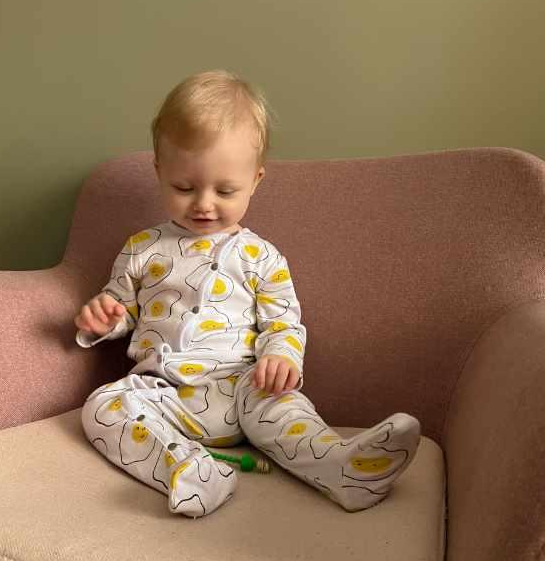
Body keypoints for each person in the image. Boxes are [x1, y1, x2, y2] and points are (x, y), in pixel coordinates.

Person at [74, 69, 421, 518]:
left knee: (286, 410)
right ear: (159, 172)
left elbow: (283, 323)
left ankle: (342, 469)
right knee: (103, 407)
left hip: (245, 387)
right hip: (165, 393)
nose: (204, 203)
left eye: (226, 190)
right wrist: (105, 319)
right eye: (184, 187)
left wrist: (281, 359)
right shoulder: (143, 248)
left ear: (255, 180)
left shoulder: (262, 257)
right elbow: (121, 307)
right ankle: (191, 470)